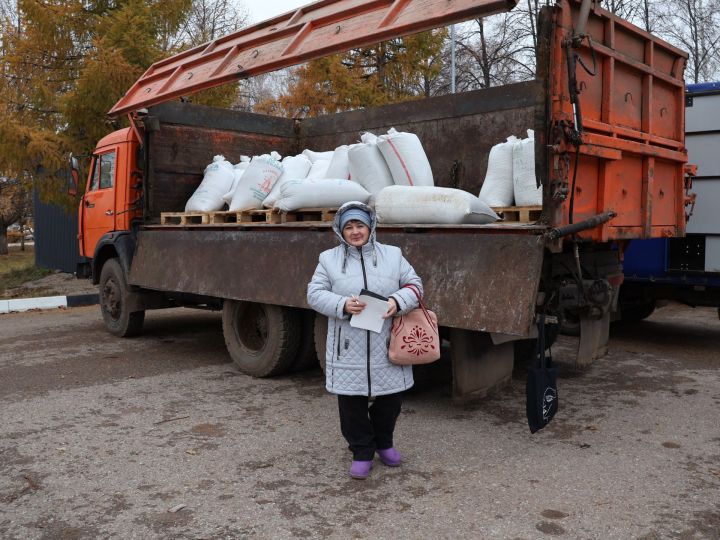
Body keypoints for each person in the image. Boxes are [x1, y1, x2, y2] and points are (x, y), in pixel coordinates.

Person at [307, 201, 423, 479]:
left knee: (390, 401)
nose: (355, 231)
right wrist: (343, 304)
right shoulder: (328, 259)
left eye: (360, 225)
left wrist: (397, 301)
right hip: (348, 346)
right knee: (351, 404)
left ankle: (384, 443)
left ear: (370, 227)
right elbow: (314, 293)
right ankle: (361, 450)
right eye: (349, 226)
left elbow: (415, 285)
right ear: (340, 231)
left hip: (387, 343)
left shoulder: (393, 255)